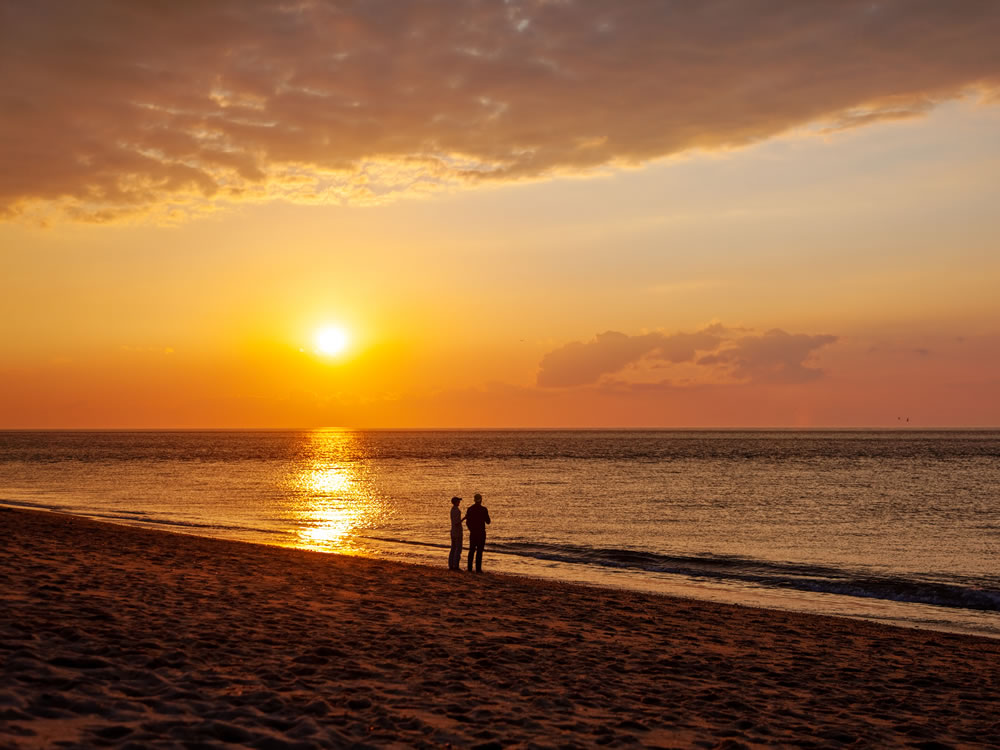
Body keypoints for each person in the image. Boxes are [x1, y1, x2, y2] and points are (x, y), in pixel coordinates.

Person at [465, 493, 491, 572]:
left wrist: (471, 529)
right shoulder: (484, 509)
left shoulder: (470, 509)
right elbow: (488, 521)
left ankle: (469, 568)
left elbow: (467, 522)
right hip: (481, 533)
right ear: (481, 500)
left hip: (473, 532)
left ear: (474, 500)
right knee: (479, 551)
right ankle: (478, 569)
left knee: (471, 550)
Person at [448, 497, 463, 571]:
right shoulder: (457, 511)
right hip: (457, 532)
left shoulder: (452, 510)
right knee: (458, 549)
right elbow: (457, 522)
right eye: (458, 501)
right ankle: (456, 565)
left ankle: (451, 564)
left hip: (453, 531)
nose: (459, 502)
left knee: (453, 548)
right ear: (456, 502)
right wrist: (464, 518)